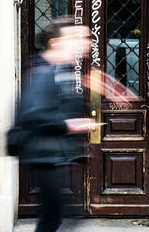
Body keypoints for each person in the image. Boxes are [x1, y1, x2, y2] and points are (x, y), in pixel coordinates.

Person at [16, 17, 96, 232]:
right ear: (56, 43)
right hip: (46, 157)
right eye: (77, 38)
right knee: (52, 220)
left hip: (54, 156)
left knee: (55, 217)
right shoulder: (43, 72)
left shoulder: (59, 70)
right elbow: (35, 114)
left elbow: (58, 106)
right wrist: (70, 125)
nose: (85, 43)